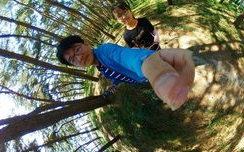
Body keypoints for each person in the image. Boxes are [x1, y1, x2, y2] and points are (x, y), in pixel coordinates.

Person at [56, 35, 194, 110]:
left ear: (86, 44)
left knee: (194, 61)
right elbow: (117, 77)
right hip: (145, 78)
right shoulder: (100, 66)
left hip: (162, 63)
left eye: (77, 49)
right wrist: (114, 86)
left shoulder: (105, 51)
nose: (79, 57)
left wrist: (149, 66)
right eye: (73, 60)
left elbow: (126, 57)